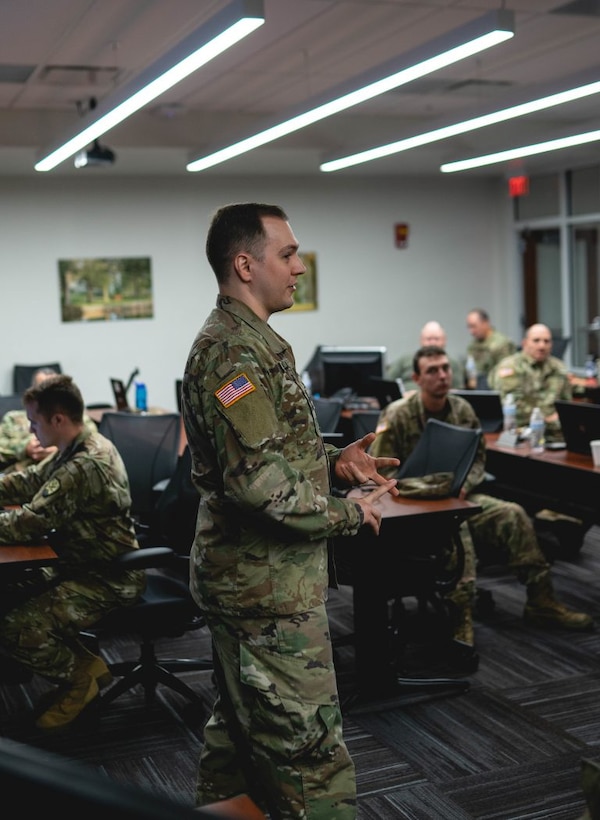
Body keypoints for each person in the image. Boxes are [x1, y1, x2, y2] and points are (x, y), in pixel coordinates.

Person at [181, 202, 400, 819]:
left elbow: (270, 455)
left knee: (238, 743)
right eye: (288, 254)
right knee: (311, 761)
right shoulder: (232, 357)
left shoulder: (251, 343)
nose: (300, 267)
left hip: (255, 584)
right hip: (264, 595)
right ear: (245, 264)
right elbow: (261, 489)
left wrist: (333, 462)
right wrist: (350, 513)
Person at [369, 345, 593, 646]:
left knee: (512, 513)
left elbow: (478, 459)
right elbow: (381, 471)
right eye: (433, 371)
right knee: (456, 526)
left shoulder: (462, 410)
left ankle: (541, 602)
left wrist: (465, 483)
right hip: (413, 508)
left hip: (460, 496)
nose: (442, 376)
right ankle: (460, 615)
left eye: (445, 368)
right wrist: (431, 491)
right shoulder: (397, 414)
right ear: (417, 378)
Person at [0, 374, 146, 730]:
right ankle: (90, 667)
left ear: (58, 419)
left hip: (108, 576)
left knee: (15, 627)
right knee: (8, 594)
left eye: (35, 422)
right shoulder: (79, 445)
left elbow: (29, 523)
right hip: (79, 564)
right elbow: (31, 481)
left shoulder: (85, 464)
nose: (32, 432)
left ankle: (80, 680)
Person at [0, 367, 97, 474]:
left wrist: (60, 448)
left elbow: (91, 446)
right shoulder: (13, 419)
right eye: (42, 390)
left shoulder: (77, 420)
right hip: (18, 476)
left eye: (52, 391)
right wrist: (24, 448)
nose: (31, 430)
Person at [488, 322, 572, 443]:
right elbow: (515, 411)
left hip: (557, 436)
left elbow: (566, 405)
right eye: (536, 341)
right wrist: (548, 419)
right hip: (523, 436)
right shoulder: (510, 367)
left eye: (546, 341)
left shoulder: (559, 367)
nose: (542, 346)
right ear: (525, 343)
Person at [386, 320, 464, 389]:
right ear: (421, 340)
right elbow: (388, 383)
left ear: (444, 341)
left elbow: (457, 391)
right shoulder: (404, 360)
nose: (433, 343)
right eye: (428, 339)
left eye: (437, 339)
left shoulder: (453, 363)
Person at [466, 308, 516, 384]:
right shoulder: (473, 346)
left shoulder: (502, 344)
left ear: (486, 323)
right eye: (469, 327)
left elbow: (506, 373)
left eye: (474, 326)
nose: (471, 331)